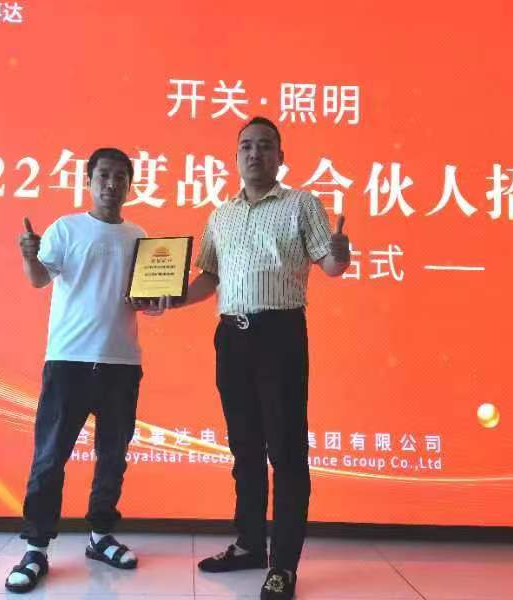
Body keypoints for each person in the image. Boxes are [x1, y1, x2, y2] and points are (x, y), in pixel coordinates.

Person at [152, 116, 350, 599]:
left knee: (286, 453)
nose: (255, 153)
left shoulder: (302, 204)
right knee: (244, 449)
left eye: (265, 146)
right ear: (236, 156)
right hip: (232, 338)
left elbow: (330, 265)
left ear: (281, 156)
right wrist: (170, 298)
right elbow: (208, 278)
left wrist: (341, 253)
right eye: (246, 146)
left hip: (280, 335)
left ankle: (283, 565)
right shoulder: (220, 215)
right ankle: (248, 544)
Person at [6, 148, 147, 593]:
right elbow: (38, 278)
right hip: (68, 361)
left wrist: (156, 300)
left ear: (130, 185)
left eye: (120, 176)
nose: (112, 184)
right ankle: (37, 548)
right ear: (89, 181)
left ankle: (100, 535)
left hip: (122, 362)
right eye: (103, 175)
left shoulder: (139, 237)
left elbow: (148, 301)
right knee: (50, 457)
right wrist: (29, 256)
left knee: (113, 457)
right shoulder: (65, 229)